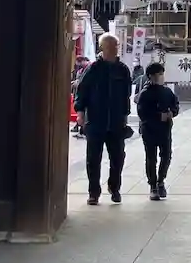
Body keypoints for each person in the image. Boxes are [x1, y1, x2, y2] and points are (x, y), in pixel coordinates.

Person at [74, 32, 133, 205]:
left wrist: (125, 116)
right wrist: (80, 112)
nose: (115, 49)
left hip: (116, 121)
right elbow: (81, 91)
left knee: (118, 158)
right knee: (93, 159)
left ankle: (114, 188)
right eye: (111, 46)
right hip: (95, 120)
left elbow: (126, 95)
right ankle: (94, 192)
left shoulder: (122, 70)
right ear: (102, 48)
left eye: (116, 46)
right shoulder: (93, 69)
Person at [136, 61, 180, 200]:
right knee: (151, 158)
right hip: (149, 130)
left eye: (162, 74)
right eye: (158, 74)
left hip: (165, 129)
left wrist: (172, 113)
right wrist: (158, 116)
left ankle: (161, 181)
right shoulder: (145, 94)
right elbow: (142, 113)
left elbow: (175, 105)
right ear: (151, 76)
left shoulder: (167, 91)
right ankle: (153, 185)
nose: (161, 77)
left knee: (166, 155)